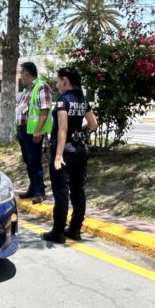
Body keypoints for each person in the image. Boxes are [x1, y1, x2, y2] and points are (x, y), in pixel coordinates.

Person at [42, 67, 98, 244]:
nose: (57, 84)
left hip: (64, 152)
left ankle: (58, 232)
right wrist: (80, 133)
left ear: (65, 80)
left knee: (61, 192)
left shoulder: (62, 101)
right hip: (80, 152)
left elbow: (63, 128)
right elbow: (93, 123)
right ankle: (74, 230)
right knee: (78, 192)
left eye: (58, 80)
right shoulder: (83, 100)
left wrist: (58, 155)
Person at [16, 62, 52, 204]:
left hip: (33, 132)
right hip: (23, 131)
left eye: (21, 74)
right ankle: (33, 188)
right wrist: (16, 129)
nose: (20, 77)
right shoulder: (27, 90)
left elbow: (45, 110)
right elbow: (21, 109)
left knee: (34, 161)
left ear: (26, 74)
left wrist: (38, 131)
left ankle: (39, 192)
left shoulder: (41, 87)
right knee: (28, 161)